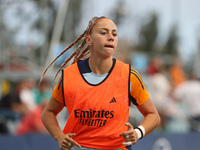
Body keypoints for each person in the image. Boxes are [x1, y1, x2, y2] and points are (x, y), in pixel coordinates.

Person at [40, 16, 160, 150]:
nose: (111, 37)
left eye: (114, 34)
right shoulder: (69, 75)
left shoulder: (129, 75)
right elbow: (48, 113)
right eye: (104, 32)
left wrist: (138, 133)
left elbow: (153, 115)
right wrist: (59, 136)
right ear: (89, 40)